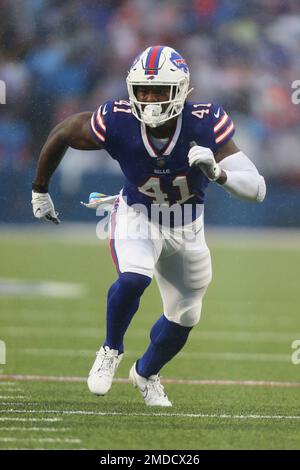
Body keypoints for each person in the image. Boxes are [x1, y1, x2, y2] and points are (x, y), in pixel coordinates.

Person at [31, 46, 266, 407]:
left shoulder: (204, 122)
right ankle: (110, 349)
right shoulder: (119, 119)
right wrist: (40, 190)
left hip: (187, 229)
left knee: (185, 315)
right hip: (137, 216)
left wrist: (218, 173)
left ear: (183, 90)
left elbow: (257, 189)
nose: (151, 100)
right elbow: (64, 131)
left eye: (160, 91)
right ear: (132, 90)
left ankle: (145, 373)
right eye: (144, 91)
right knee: (134, 276)